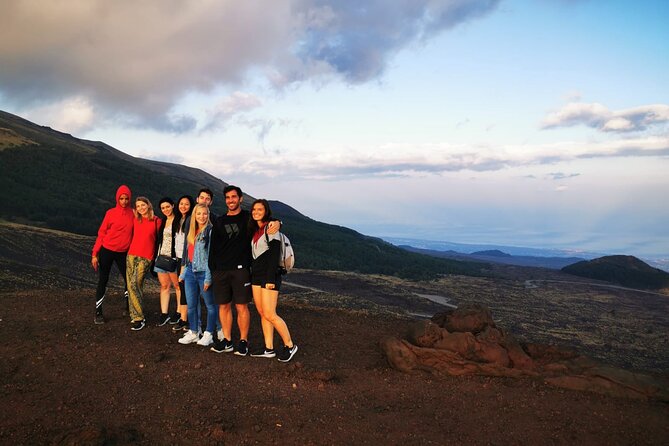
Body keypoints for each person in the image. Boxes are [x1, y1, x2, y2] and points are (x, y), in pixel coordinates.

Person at [209, 186, 280, 355]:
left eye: (234, 197)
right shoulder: (219, 221)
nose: (230, 200)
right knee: (224, 307)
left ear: (240, 199)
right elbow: (213, 247)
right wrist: (213, 269)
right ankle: (227, 341)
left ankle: (243, 341)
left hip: (241, 270)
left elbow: (265, 220)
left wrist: (277, 222)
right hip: (221, 271)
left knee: (241, 306)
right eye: (227, 197)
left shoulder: (248, 218)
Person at [249, 199, 297, 362]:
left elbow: (274, 253)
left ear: (266, 211)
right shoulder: (256, 230)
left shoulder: (271, 228)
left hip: (269, 277)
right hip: (256, 276)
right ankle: (268, 348)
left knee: (270, 313)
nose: (256, 212)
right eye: (254, 209)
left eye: (260, 209)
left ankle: (290, 345)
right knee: (263, 313)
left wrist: (270, 279)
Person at [92, 185, 134, 324]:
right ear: (117, 198)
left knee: (128, 280)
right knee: (103, 280)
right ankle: (98, 312)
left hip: (123, 252)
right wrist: (95, 254)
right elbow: (102, 233)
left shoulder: (133, 213)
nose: (124, 201)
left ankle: (128, 308)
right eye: (121, 198)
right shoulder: (110, 213)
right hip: (107, 250)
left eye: (126, 198)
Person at [178, 203, 217, 346]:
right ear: (194, 215)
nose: (202, 216)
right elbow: (190, 256)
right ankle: (194, 332)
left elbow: (210, 257)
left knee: (210, 305)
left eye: (205, 213)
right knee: (191, 305)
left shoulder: (210, 231)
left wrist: (208, 277)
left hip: (203, 273)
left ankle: (209, 334)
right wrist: (183, 273)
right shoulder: (192, 232)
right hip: (190, 273)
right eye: (199, 214)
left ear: (208, 214)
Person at [126, 196, 161, 331]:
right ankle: (134, 315)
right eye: (138, 206)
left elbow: (159, 241)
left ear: (148, 205)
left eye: (143, 205)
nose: (141, 208)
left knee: (135, 283)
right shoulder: (136, 219)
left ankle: (140, 318)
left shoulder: (156, 221)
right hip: (131, 256)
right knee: (132, 286)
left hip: (146, 257)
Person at [154, 197, 182, 326]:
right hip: (162, 258)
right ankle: (164, 313)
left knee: (177, 286)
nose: (165, 209)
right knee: (164, 286)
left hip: (173, 259)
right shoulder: (163, 221)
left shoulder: (179, 221)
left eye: (167, 206)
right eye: (163, 208)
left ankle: (179, 312)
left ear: (173, 205)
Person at [172, 195, 194, 332]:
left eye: (186, 204)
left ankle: (186, 320)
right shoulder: (178, 220)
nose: (183, 206)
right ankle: (184, 318)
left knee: (186, 290)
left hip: (186, 259)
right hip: (178, 258)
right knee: (182, 288)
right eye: (181, 203)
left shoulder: (191, 220)